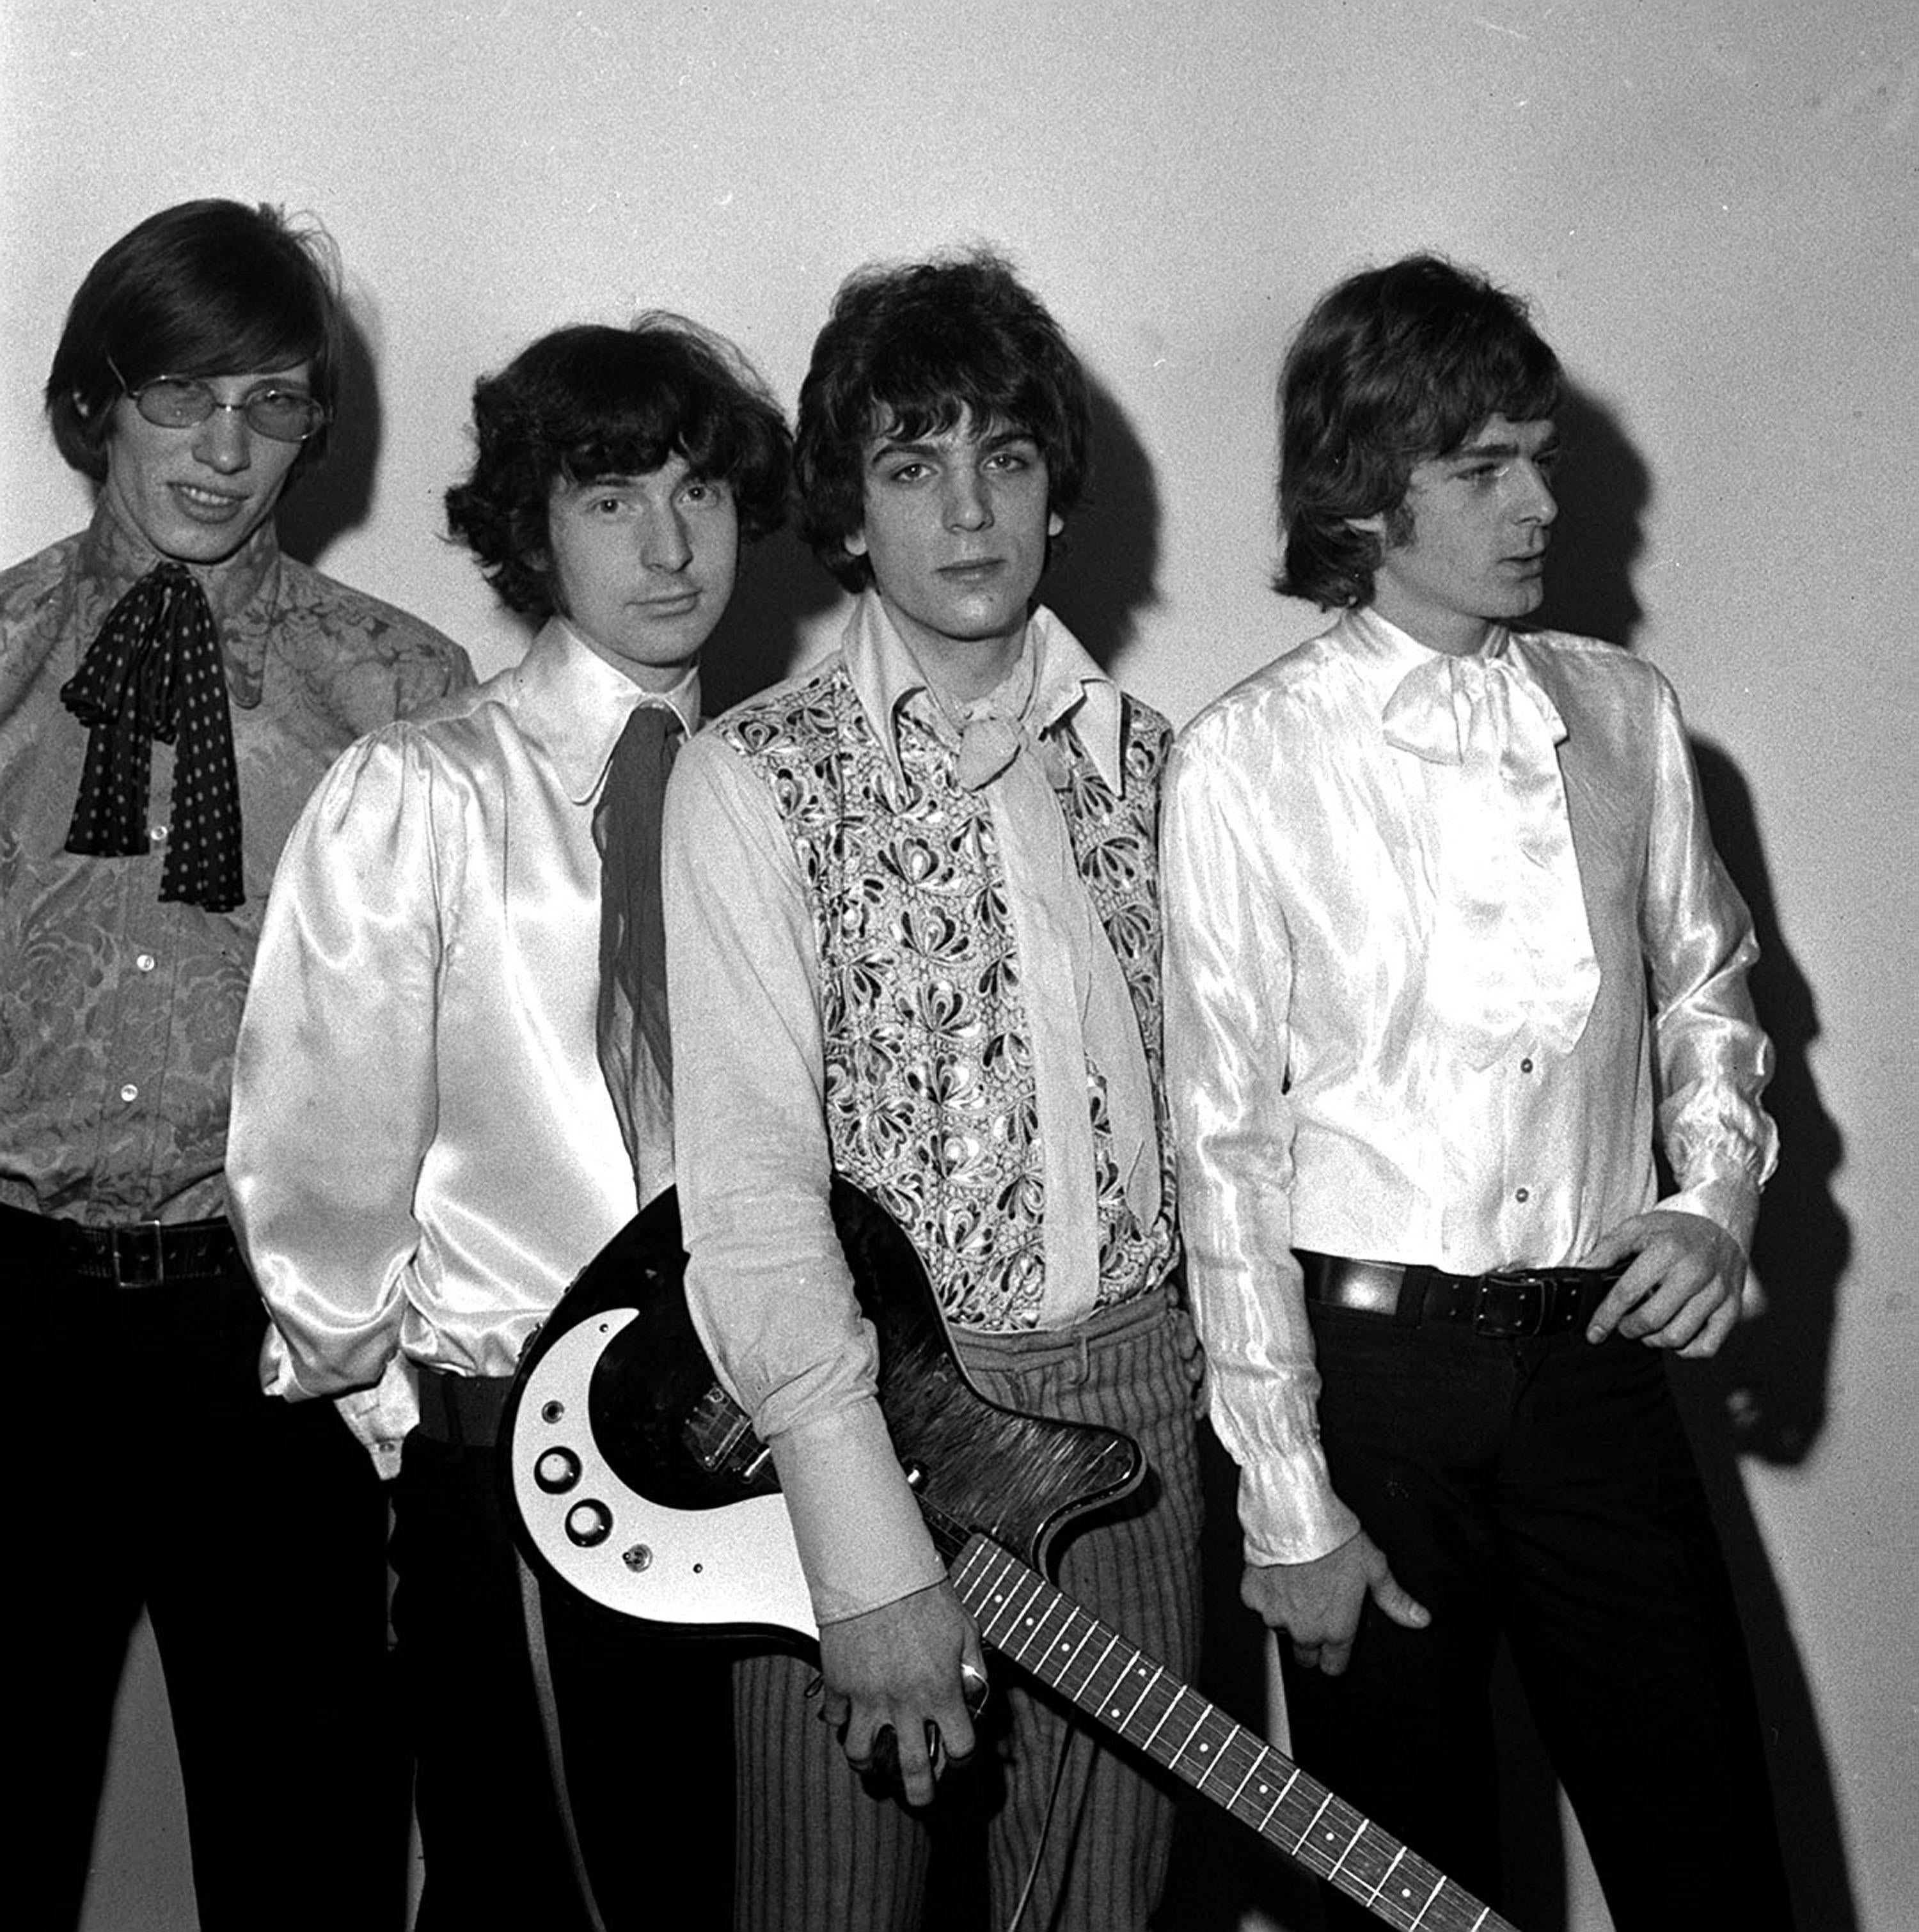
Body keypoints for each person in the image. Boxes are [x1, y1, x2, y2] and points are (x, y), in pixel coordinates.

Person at [1161, 253, 1793, 1929]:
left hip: (1595, 1377)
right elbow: (1220, 1152)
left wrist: (1714, 1197)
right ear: (1365, 489)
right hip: (1371, 1397)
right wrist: (1287, 1494)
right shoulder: (1246, 759)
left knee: (1713, 1861)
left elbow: (1715, 994)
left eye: (1541, 457)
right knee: (1408, 1896)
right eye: (1483, 466)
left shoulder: (1623, 711)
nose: (1535, 502)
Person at [226, 316, 791, 1929]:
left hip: (765, 1463)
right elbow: (319, 1157)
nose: (670, 545)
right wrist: (433, 1435)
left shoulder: (777, 787)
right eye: (612, 499)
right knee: (535, 1895)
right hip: (512, 1462)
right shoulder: (427, 790)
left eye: (700, 492)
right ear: (533, 527)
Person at [663, 249, 1203, 1932]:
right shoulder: (753, 776)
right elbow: (749, 1197)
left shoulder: (1154, 763)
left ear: (1057, 488)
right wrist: (861, 1546)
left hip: (1138, 1410)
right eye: (912, 464)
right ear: (847, 507)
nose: (968, 510)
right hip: (874, 1411)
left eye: (1008, 458)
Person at [0, 196, 470, 1932]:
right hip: (13, 1312)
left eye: (270, 406)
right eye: (182, 394)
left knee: (310, 1849)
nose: (222, 447)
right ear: (95, 401)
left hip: (279, 1334)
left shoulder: (405, 697)